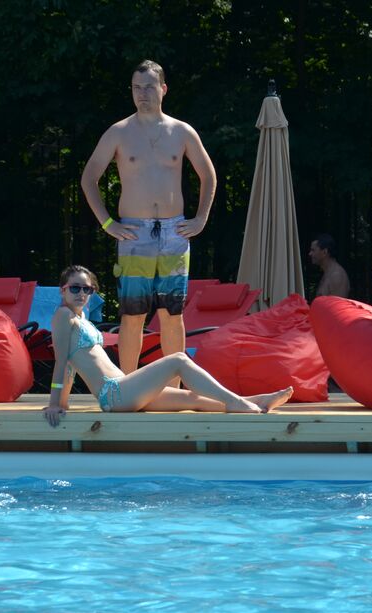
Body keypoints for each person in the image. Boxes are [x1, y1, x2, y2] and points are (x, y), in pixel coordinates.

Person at [81, 60, 216, 378]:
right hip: (134, 233)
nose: (142, 94)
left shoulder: (181, 131)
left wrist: (200, 220)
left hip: (174, 231)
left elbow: (208, 176)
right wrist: (107, 223)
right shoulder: (119, 132)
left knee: (172, 314)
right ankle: (127, 386)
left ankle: (174, 387)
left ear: (163, 89)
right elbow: (89, 178)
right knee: (132, 314)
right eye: (136, 88)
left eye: (149, 87)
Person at [41, 265, 292, 426]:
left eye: (87, 289)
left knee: (193, 398)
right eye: (75, 288)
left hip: (124, 390)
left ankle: (256, 401)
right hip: (114, 394)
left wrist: (63, 404)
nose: (81, 294)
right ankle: (239, 404)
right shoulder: (63, 316)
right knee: (178, 360)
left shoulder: (82, 318)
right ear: (62, 291)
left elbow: (73, 366)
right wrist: (55, 404)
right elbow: (62, 363)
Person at [309, 233, 350, 298]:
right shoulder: (329, 273)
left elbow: (337, 307)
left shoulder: (337, 275)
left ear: (325, 252)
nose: (310, 254)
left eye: (313, 250)